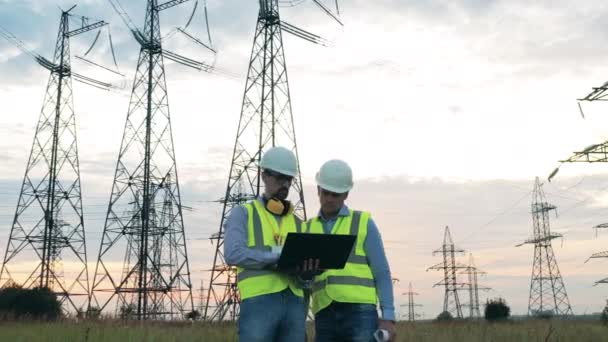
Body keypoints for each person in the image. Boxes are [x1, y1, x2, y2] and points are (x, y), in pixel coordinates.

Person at [306, 159, 396, 342]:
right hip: (323, 313)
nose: (329, 198)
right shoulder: (306, 229)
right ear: (318, 190)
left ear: (346, 194)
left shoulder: (363, 223)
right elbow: (301, 280)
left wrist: (388, 316)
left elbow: (381, 271)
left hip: (360, 311)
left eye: (335, 194)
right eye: (325, 192)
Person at [224, 146, 308, 342]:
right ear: (264, 176)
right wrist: (275, 259)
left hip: (295, 303)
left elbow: (305, 273)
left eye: (289, 179)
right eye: (280, 178)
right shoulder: (243, 213)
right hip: (258, 301)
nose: (285, 184)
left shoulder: (298, 223)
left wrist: (308, 273)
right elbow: (233, 253)